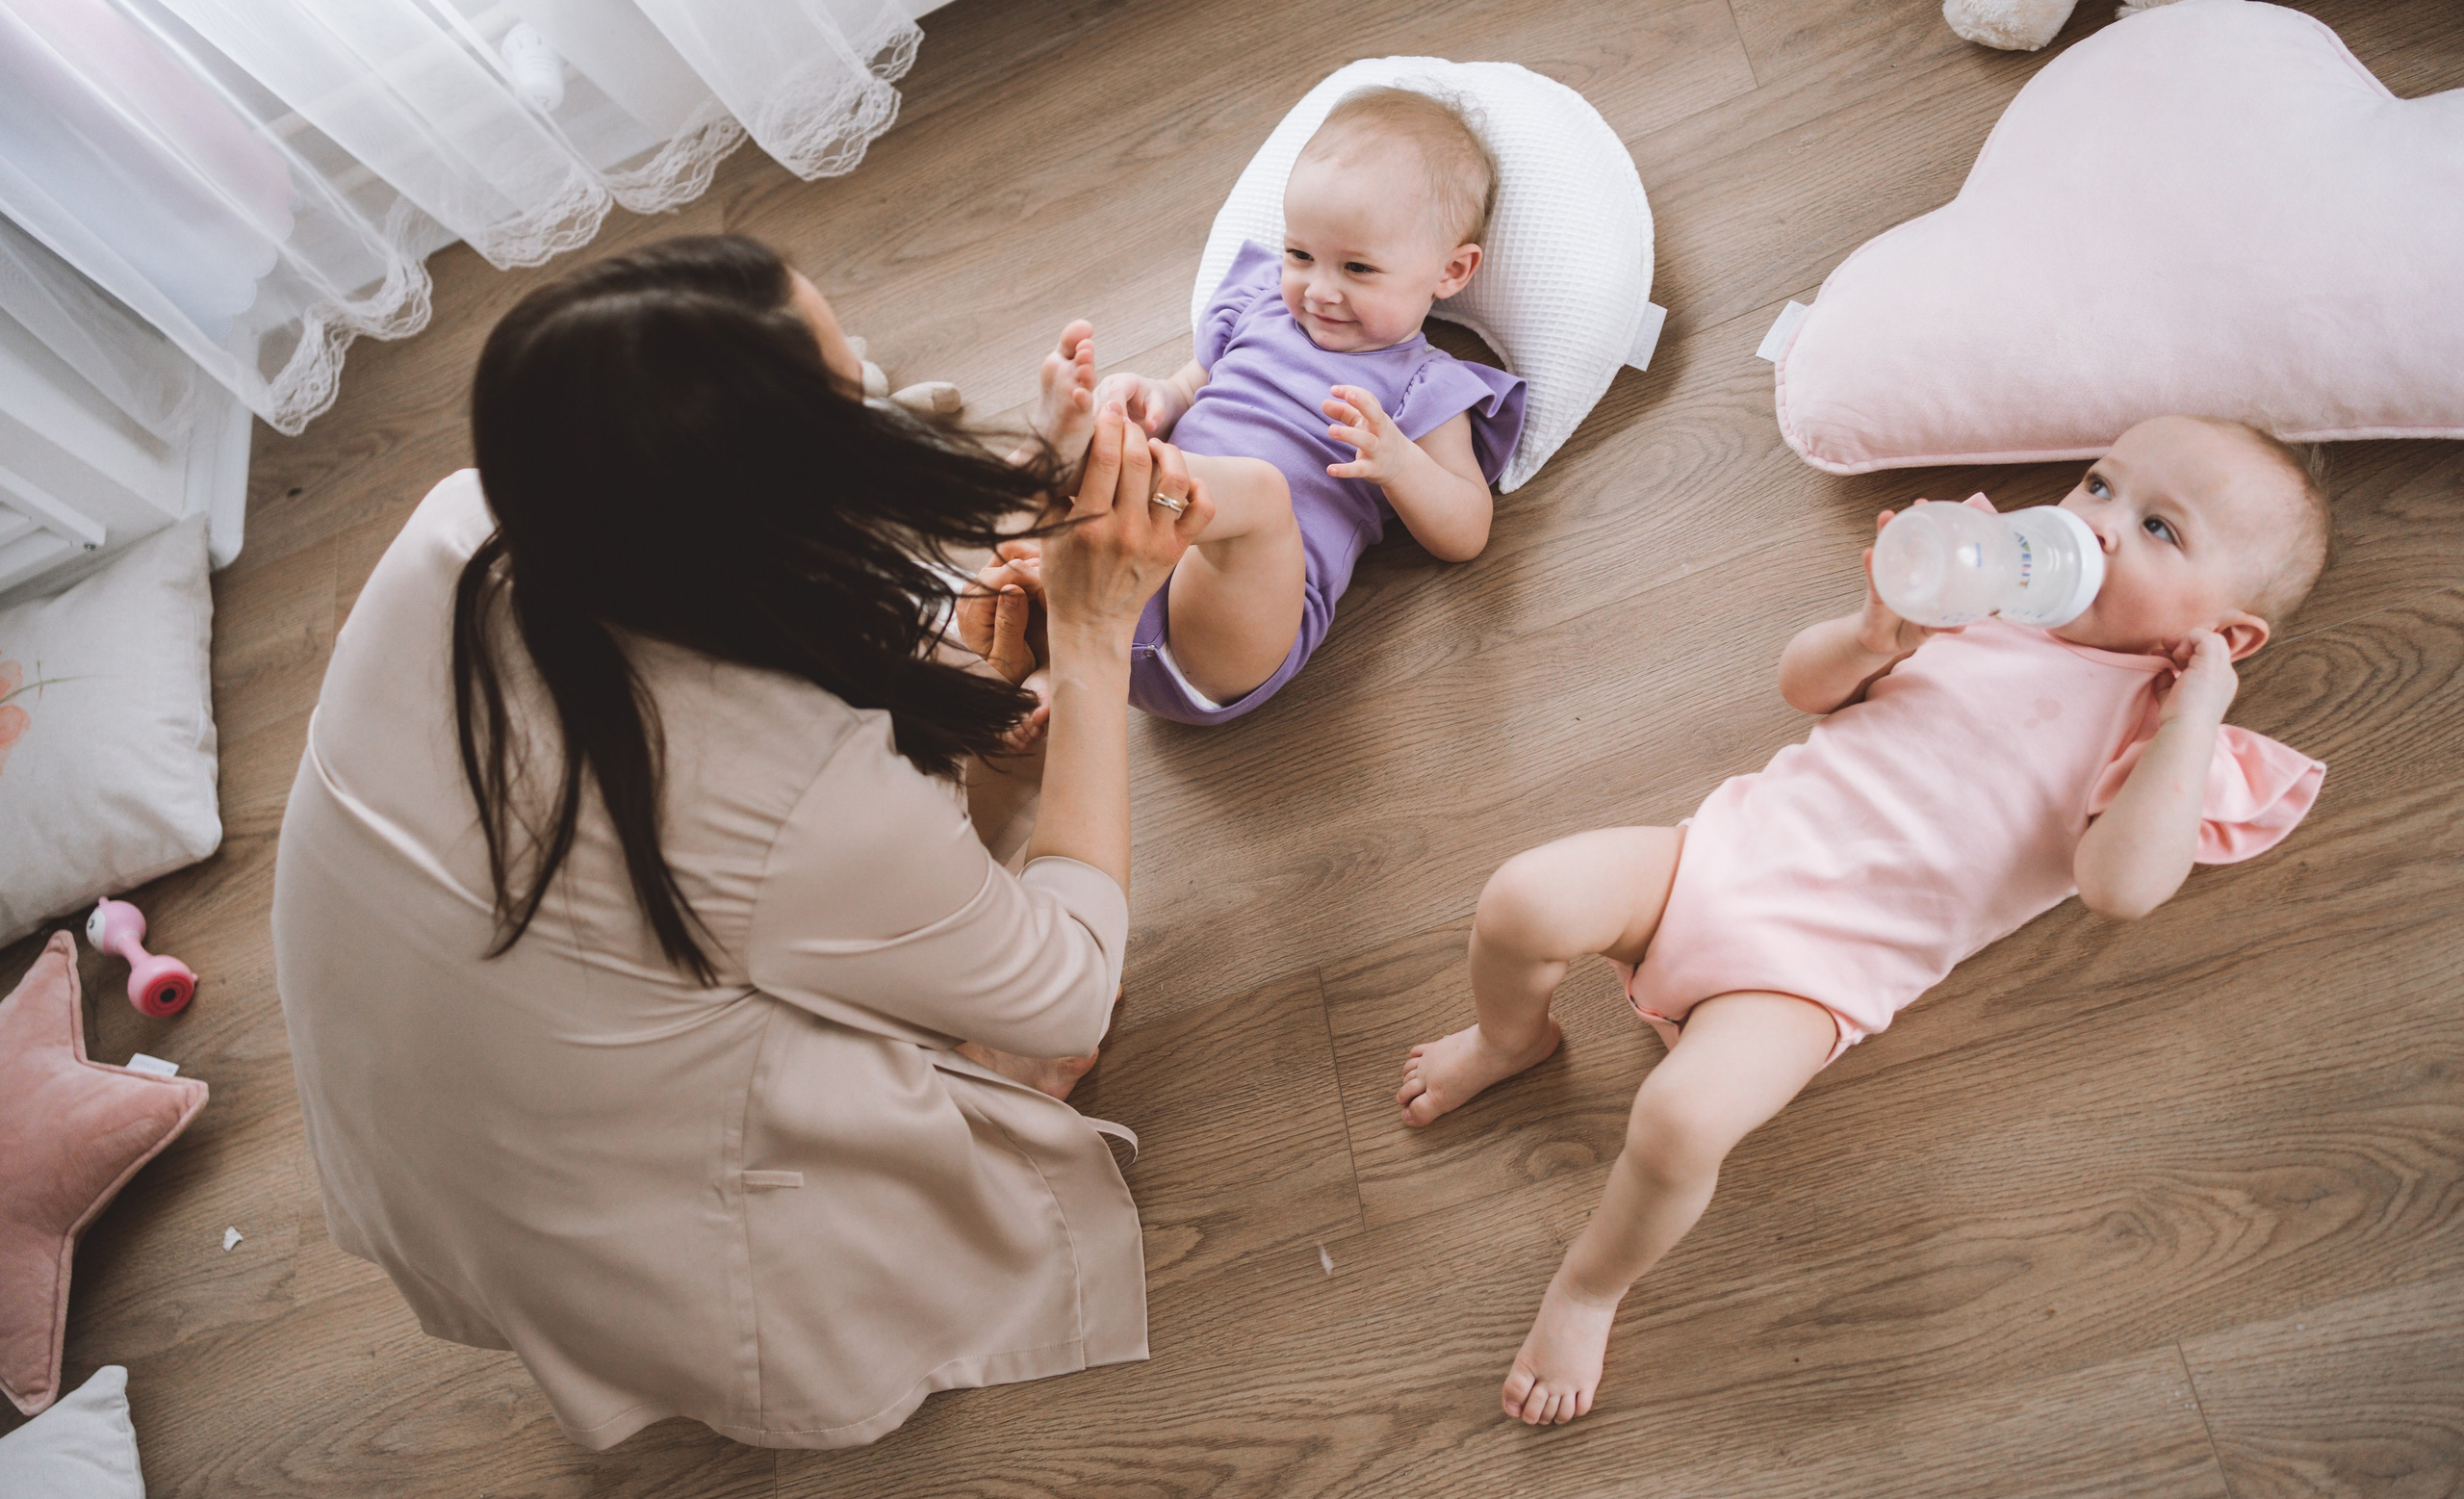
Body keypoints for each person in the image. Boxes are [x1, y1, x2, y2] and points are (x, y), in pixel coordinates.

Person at [270, 235, 1211, 1450]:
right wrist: (1091, 635)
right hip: (631, 1218)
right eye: (846, 398)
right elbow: (1069, 993)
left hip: (426, 1136)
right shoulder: (787, 781)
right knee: (1027, 1014)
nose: (872, 386)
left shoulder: (483, 517)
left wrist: (1017, 478)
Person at [1395, 415, 2332, 1425]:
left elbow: (2122, 887)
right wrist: (1869, 637)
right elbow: (1804, 688)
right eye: (2100, 485)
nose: (2100, 524)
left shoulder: (2155, 740)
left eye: (2159, 529)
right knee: (1521, 897)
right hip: (1710, 859)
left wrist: (2193, 716)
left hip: (1811, 978)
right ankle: (1511, 1039)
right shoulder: (1976, 594)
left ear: (2227, 638)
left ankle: (1589, 1288)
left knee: (1681, 1121)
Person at [1039, 86, 1527, 724]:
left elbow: (1468, 530)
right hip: (1107, 592)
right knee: (1095, 495)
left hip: (1224, 633)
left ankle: (1084, 464)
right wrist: (1155, 399)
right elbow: (1191, 385)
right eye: (1300, 255)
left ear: (1451, 272)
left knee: (1259, 495)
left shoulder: (1425, 386)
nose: (1319, 290)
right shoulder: (1260, 304)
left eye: (1358, 268)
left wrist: (1399, 463)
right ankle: (1042, 657)